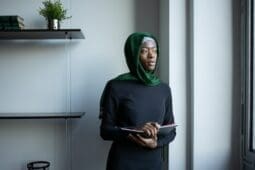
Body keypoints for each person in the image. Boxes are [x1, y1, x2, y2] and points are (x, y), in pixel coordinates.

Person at [99, 32, 176, 170]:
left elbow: (171, 131)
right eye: (144, 51)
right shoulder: (116, 86)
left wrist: (156, 144)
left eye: (155, 50)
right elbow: (105, 131)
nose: (152, 55)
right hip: (123, 163)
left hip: (154, 163)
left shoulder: (164, 89)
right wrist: (134, 130)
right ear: (133, 54)